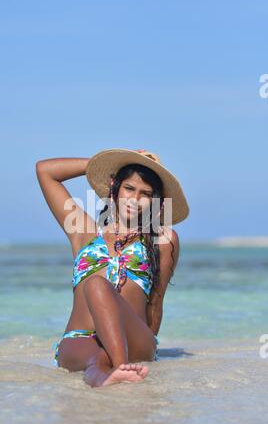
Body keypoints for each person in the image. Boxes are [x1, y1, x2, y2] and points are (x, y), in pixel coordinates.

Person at [36, 148, 189, 387]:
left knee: (98, 285)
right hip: (81, 337)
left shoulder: (163, 240)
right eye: (129, 188)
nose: (135, 199)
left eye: (145, 193)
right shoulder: (84, 232)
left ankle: (120, 366)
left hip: (134, 337)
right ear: (114, 187)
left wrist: (147, 347)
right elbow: (45, 171)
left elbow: (156, 304)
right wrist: (104, 164)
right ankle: (107, 373)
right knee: (96, 360)